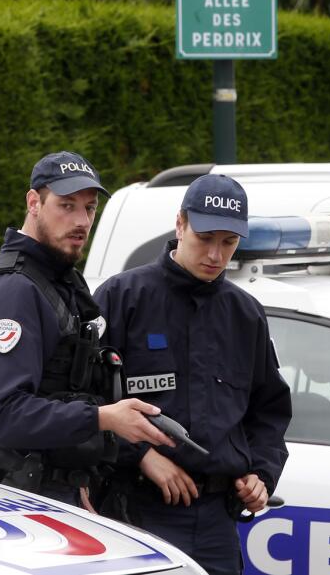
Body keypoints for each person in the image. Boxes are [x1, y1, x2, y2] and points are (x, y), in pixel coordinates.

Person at [94, 174, 292, 575]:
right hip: (136, 512)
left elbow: (268, 411)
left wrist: (261, 475)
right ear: (180, 223)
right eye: (206, 238)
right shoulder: (121, 298)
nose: (216, 255)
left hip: (217, 521)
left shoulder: (245, 313)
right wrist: (143, 457)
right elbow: (84, 401)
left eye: (229, 242)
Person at [0, 151, 175, 507]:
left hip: (63, 493)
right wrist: (103, 418)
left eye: (89, 209)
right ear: (33, 203)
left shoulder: (59, 279)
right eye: (66, 205)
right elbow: (6, 416)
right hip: (26, 498)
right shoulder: (12, 289)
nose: (81, 221)